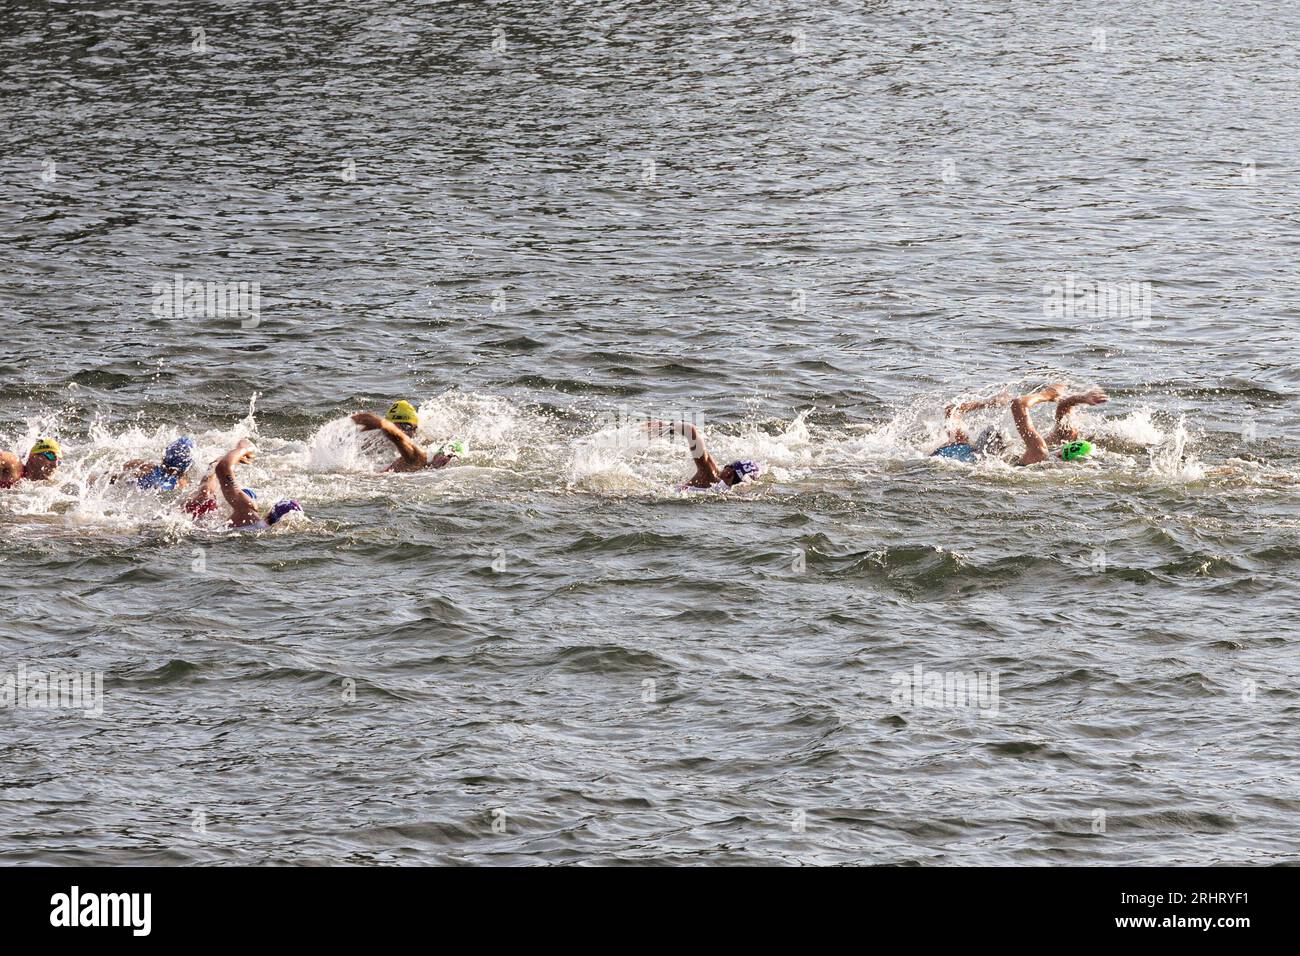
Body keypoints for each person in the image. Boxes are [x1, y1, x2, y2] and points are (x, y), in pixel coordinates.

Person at [181, 439, 302, 529]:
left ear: (271, 512)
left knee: (206, 499)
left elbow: (223, 468)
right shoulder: (262, 531)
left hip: (198, 535)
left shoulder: (249, 513)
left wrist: (243, 448)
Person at [350, 401, 464, 473]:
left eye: (413, 428)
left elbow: (456, 441)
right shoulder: (373, 442)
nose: (410, 433)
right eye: (406, 426)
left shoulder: (415, 455)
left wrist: (448, 450)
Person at [645, 420, 762, 490]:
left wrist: (665, 427)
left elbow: (690, 430)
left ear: (728, 472)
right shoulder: (729, 490)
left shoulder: (710, 476)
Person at [1009, 384, 1109, 465]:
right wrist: (1083, 398)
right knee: (1067, 431)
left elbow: (1019, 404)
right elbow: (1064, 406)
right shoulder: (1061, 443)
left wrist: (1047, 395)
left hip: (1006, 459)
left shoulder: (1038, 454)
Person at [931, 393, 1011, 462]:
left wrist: (990, 403)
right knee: (991, 431)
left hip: (954, 453)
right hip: (963, 453)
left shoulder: (949, 447)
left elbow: (952, 410)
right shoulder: (956, 444)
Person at [112, 437, 195, 491]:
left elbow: (125, 467)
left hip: (129, 489)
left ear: (165, 457)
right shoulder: (182, 484)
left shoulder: (148, 467)